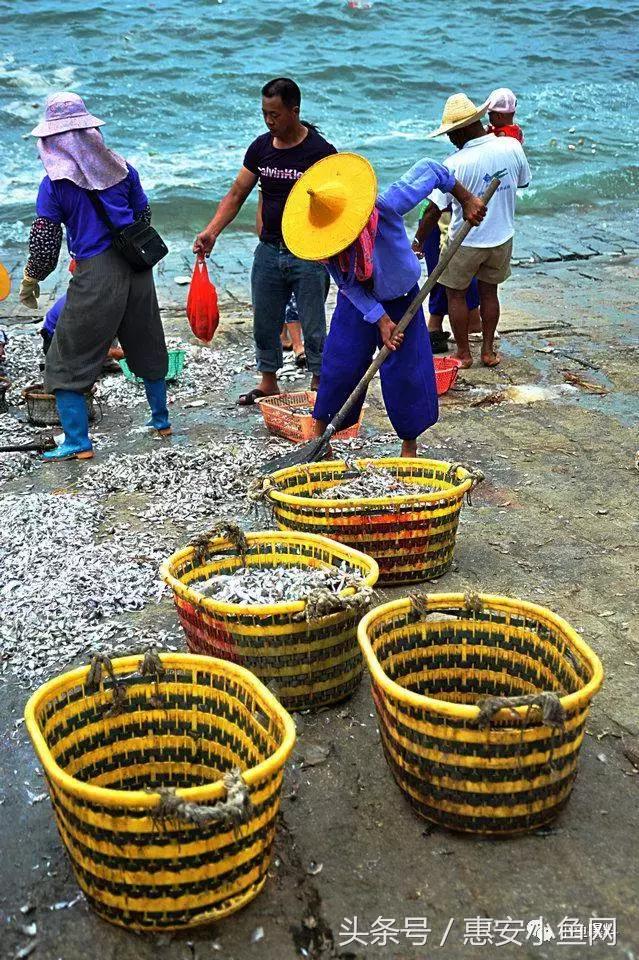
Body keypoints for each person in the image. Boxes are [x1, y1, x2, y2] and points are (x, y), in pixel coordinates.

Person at [281, 153, 486, 457]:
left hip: (402, 298)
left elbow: (430, 168)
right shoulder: (326, 243)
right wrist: (379, 319)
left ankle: (409, 446)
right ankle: (320, 437)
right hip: (357, 302)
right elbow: (347, 283)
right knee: (341, 364)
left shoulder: (387, 205)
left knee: (406, 371)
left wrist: (466, 199)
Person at [19, 92, 170, 460]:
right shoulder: (122, 169)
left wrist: (31, 279)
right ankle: (161, 420)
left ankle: (77, 442)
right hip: (137, 268)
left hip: (96, 272)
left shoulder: (55, 184)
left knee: (67, 356)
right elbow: (143, 217)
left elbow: (46, 241)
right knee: (146, 341)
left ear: (52, 140)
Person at [193, 77, 336, 405]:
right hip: (269, 250)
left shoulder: (320, 152)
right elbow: (237, 193)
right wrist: (212, 231)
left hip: (308, 252)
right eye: (264, 114)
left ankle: (319, 382)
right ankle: (269, 381)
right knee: (265, 321)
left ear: (294, 111)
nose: (269, 121)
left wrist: (332, 250)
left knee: (313, 324)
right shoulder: (260, 148)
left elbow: (337, 205)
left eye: (275, 114)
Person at [415, 92, 531, 369]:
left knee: (456, 294)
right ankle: (488, 352)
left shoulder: (455, 163)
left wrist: (417, 241)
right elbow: (523, 183)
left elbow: (433, 211)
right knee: (490, 293)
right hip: (502, 237)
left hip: (466, 241)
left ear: (462, 129)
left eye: (451, 133)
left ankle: (464, 354)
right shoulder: (512, 147)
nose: (450, 139)